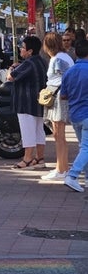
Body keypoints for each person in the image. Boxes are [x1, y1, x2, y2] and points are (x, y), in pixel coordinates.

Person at [8, 35, 48, 169]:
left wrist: (11, 68)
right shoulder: (41, 61)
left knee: (27, 131)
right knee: (38, 131)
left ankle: (27, 158)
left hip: (26, 102)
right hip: (38, 102)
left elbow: (10, 77)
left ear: (30, 51)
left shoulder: (28, 63)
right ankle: (40, 157)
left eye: (23, 47)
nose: (21, 49)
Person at [40, 32, 74, 181]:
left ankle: (61, 169)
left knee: (58, 135)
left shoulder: (58, 59)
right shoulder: (63, 57)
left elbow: (65, 78)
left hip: (58, 99)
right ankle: (62, 167)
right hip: (59, 98)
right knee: (59, 135)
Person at [61, 39, 88, 192]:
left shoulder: (69, 72)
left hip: (75, 114)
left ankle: (86, 178)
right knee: (86, 148)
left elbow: (63, 95)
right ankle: (73, 175)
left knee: (84, 148)